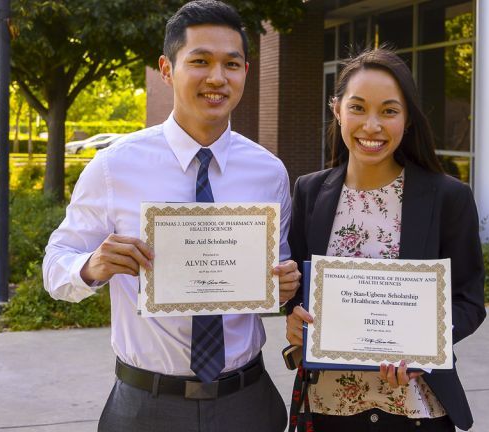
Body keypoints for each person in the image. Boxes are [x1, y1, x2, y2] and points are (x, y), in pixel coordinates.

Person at [42, 1, 300, 431]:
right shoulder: (113, 167)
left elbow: (277, 273)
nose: (216, 77)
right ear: (166, 68)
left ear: (245, 73)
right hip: (145, 405)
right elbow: (56, 265)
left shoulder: (268, 172)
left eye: (231, 64)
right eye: (200, 61)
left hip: (247, 402)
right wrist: (92, 265)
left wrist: (284, 284)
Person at [284, 48, 486, 432]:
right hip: (327, 409)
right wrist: (295, 319)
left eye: (389, 111)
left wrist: (422, 346)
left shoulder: (447, 198)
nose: (372, 125)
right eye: (358, 108)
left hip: (417, 411)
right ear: (337, 110)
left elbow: (469, 303)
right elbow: (297, 288)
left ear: (407, 120)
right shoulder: (309, 192)